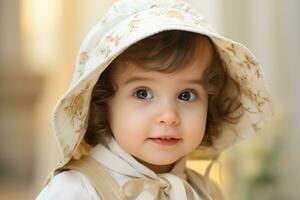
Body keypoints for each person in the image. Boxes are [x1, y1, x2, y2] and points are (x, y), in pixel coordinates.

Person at [36, 0, 274, 199]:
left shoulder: (205, 191)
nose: (169, 117)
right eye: (143, 93)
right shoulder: (74, 190)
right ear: (103, 101)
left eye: (186, 95)